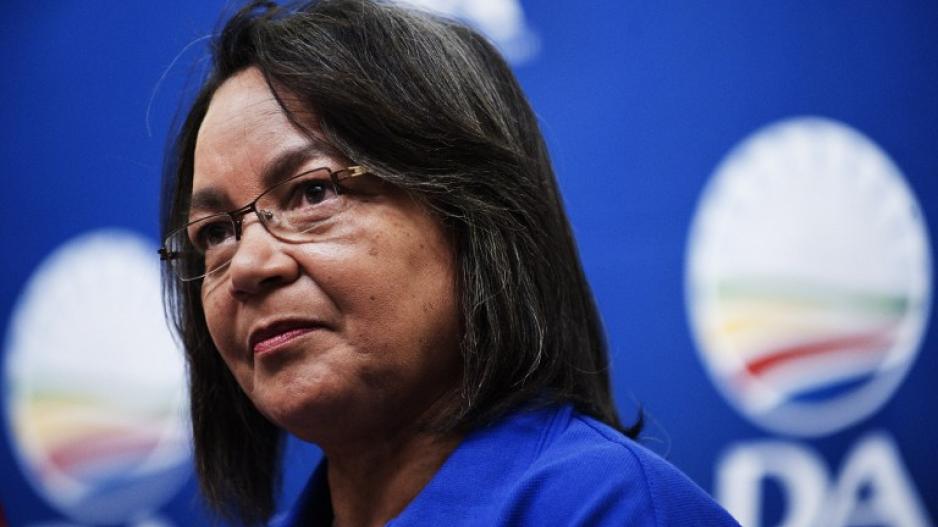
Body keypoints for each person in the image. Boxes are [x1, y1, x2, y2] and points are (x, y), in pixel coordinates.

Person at [159, 1, 739, 525]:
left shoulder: (619, 510)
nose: (247, 266)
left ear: (474, 215)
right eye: (215, 233)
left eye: (313, 193)